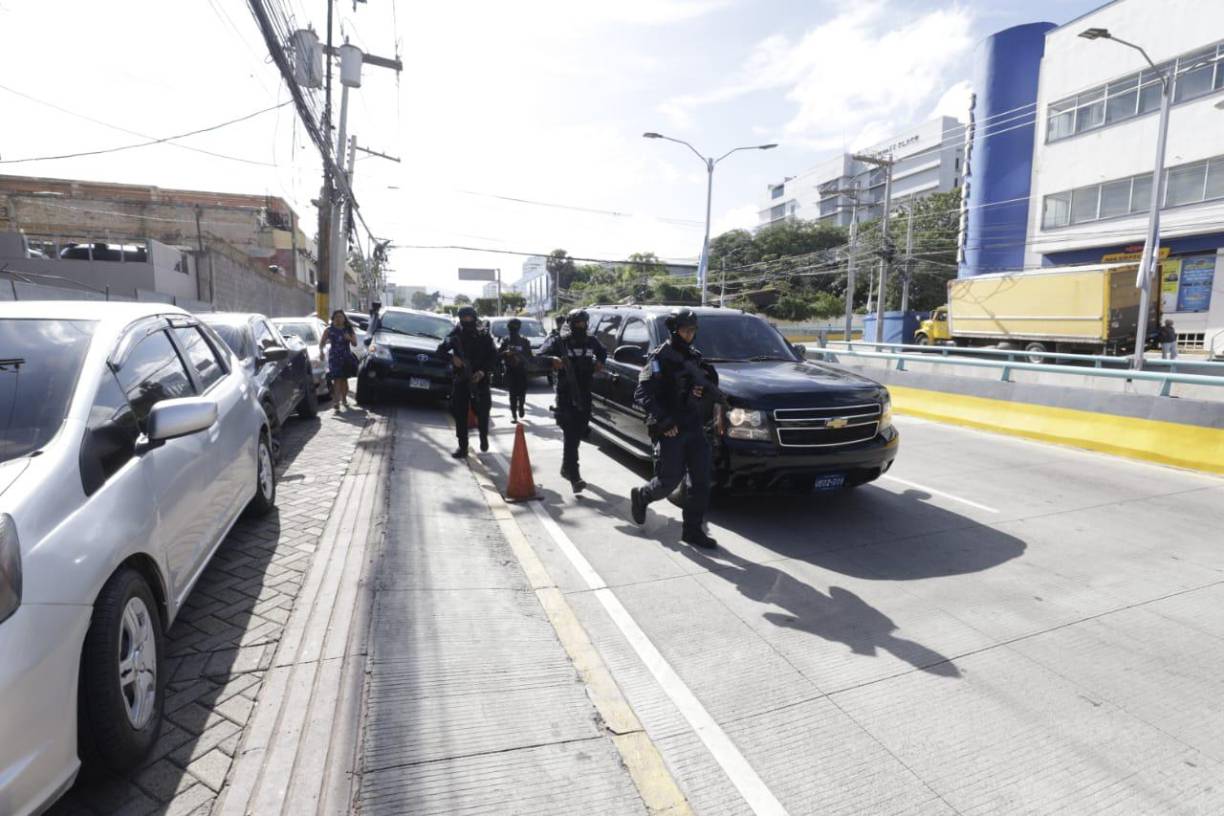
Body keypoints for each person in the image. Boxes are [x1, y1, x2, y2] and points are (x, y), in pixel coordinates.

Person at [630, 308, 718, 549]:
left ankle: (692, 530)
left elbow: (704, 391)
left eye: (693, 331)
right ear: (674, 330)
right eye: (685, 330)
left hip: (694, 426)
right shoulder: (659, 358)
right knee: (669, 481)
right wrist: (664, 421)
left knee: (700, 481)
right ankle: (642, 495)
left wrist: (701, 392)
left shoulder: (695, 357)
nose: (690, 335)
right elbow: (643, 393)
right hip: (671, 428)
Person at [539, 308, 606, 491]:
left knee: (578, 432)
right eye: (577, 323)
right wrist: (552, 359)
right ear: (570, 323)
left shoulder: (591, 340)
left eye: (583, 323)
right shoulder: (559, 341)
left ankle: (566, 468)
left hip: (585, 392)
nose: (580, 326)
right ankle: (574, 475)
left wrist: (600, 362)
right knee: (571, 433)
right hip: (566, 394)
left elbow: (603, 352)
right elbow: (540, 356)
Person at [439, 306, 496, 457]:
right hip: (461, 380)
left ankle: (483, 436)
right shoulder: (455, 334)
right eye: (463, 318)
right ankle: (463, 447)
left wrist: (483, 372)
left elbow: (493, 357)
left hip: (480, 380)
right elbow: (440, 351)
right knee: (459, 414)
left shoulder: (484, 334)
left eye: (469, 318)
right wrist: (452, 358)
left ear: (474, 318)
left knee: (482, 413)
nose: (466, 321)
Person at [320, 309, 358, 411]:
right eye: (336, 317)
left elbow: (355, 343)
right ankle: (337, 402)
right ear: (333, 319)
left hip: (346, 358)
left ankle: (344, 398)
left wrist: (349, 338)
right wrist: (321, 352)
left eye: (341, 316)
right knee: (336, 379)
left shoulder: (349, 330)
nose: (338, 319)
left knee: (344, 380)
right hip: (334, 358)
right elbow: (322, 342)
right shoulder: (329, 330)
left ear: (344, 318)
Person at [498, 318, 533, 422]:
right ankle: (514, 414)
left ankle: (521, 406)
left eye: (515, 327)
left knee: (522, 392)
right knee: (512, 394)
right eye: (512, 327)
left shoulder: (524, 341)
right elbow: (498, 355)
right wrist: (506, 353)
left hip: (521, 370)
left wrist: (521, 357)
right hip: (510, 370)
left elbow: (529, 356)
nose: (513, 329)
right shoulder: (505, 340)